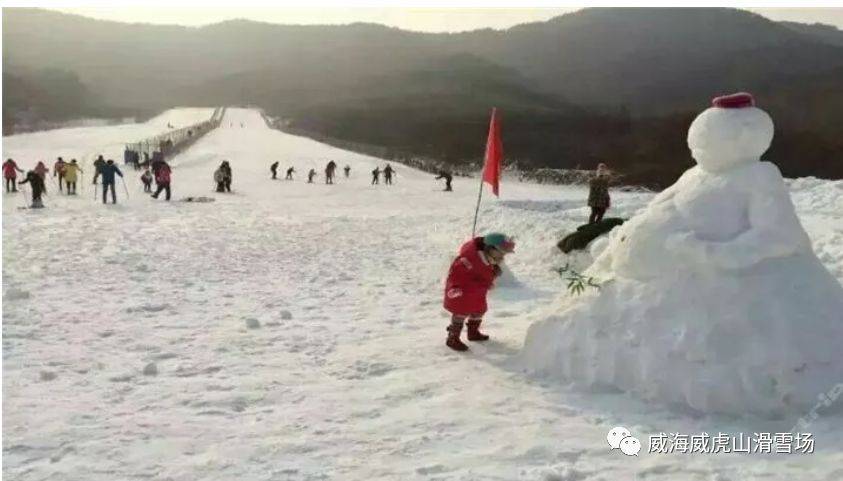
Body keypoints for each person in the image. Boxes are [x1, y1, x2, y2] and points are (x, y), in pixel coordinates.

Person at [443, 233, 515, 351]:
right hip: (463, 293)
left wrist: (493, 273)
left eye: (504, 254)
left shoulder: (489, 259)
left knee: (480, 310)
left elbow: (483, 273)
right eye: (500, 253)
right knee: (461, 312)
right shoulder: (468, 260)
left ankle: (473, 332)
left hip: (478, 293)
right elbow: (456, 274)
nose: (502, 257)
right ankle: (452, 338)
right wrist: (454, 288)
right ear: (490, 248)